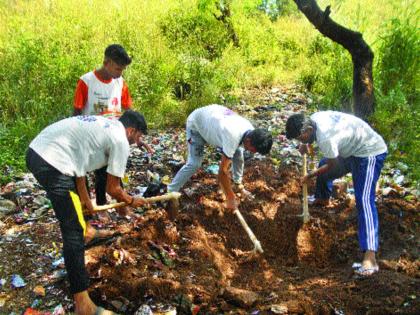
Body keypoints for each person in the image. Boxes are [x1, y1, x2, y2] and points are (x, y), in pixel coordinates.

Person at [26, 110, 148, 315]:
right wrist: (131, 200)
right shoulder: (120, 140)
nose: (138, 142)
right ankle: (83, 304)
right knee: (71, 228)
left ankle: (89, 231)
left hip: (39, 152)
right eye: (139, 137)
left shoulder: (104, 126)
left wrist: (85, 198)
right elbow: (113, 188)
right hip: (52, 161)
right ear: (131, 130)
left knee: (78, 207)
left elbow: (79, 162)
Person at [285, 111, 387, 276]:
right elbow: (325, 154)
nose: (300, 141)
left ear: (308, 130)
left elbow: (332, 165)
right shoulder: (313, 119)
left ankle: (370, 258)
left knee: (364, 201)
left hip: (369, 152)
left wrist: (310, 176)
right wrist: (306, 145)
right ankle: (322, 198)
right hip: (351, 150)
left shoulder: (326, 138)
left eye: (300, 138)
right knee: (323, 163)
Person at [73, 44, 153, 208]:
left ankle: (114, 206)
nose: (120, 73)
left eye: (122, 70)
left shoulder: (120, 82)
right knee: (86, 172)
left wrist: (137, 138)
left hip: (115, 136)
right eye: (117, 68)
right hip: (93, 137)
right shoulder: (87, 81)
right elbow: (77, 111)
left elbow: (130, 113)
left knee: (112, 172)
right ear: (106, 62)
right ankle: (93, 207)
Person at [168, 104, 273, 210]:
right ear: (248, 141)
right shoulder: (232, 136)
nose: (253, 153)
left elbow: (237, 152)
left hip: (211, 118)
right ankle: (171, 191)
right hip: (196, 125)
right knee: (194, 164)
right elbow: (222, 172)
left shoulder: (250, 131)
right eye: (254, 150)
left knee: (239, 153)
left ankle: (237, 184)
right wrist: (230, 197)